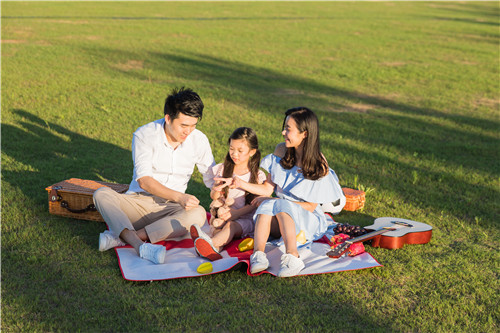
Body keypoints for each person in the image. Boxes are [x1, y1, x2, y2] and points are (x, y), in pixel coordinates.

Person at [93, 87, 215, 264]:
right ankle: (139, 245)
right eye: (184, 125)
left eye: (193, 125)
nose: (188, 132)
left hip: (171, 209)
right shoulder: (144, 134)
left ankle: (123, 238)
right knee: (101, 195)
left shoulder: (199, 140)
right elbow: (144, 181)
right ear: (168, 118)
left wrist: (224, 192)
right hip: (139, 203)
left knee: (198, 214)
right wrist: (180, 197)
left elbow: (212, 178)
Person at [228, 107, 345, 277]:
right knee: (268, 206)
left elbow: (311, 206)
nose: (283, 132)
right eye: (285, 127)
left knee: (277, 204)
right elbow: (268, 189)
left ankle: (293, 257)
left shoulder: (318, 163)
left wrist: (275, 202)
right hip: (281, 216)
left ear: (304, 134)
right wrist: (239, 183)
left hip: (307, 220)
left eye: (288, 129)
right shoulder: (281, 151)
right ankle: (258, 255)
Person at [189, 127, 266, 261]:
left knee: (231, 226)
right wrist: (216, 190)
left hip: (245, 219)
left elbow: (255, 204)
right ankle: (210, 250)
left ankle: (209, 243)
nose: (234, 154)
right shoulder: (223, 169)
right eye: (231, 149)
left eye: (240, 151)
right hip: (223, 215)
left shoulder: (258, 176)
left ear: (252, 152)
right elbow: (214, 197)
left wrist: (236, 214)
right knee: (218, 229)